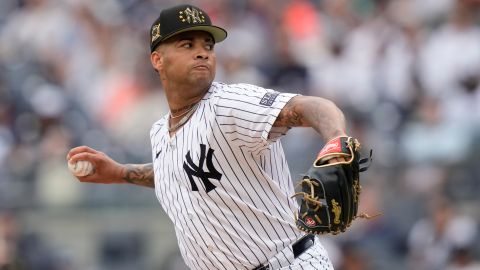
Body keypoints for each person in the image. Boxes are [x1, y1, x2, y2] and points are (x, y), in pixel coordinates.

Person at [67, 4, 349, 270]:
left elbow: (310, 106)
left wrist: (336, 141)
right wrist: (120, 173)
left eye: (208, 46)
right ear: (157, 59)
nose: (202, 53)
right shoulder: (160, 132)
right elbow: (180, 173)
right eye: (188, 45)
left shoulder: (228, 104)